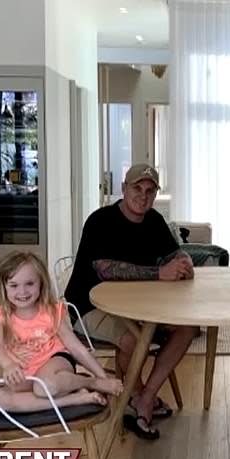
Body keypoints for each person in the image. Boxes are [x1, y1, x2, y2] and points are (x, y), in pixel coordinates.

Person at [64, 163, 198, 440]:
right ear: (123, 189)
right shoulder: (100, 220)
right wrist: (160, 273)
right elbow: (105, 269)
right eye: (137, 188)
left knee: (187, 328)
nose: (143, 195)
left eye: (150, 190)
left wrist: (183, 261)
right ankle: (135, 397)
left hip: (142, 307)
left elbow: (175, 253)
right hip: (89, 306)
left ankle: (145, 397)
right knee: (133, 339)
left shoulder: (154, 221)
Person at [0, 251, 124, 413]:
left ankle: (89, 383)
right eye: (14, 285)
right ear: (4, 287)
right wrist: (7, 364)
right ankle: (74, 399)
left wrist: (102, 378)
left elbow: (75, 347)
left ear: (41, 284)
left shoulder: (49, 311)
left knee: (44, 387)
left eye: (30, 283)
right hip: (26, 372)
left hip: (55, 363)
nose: (22, 292)